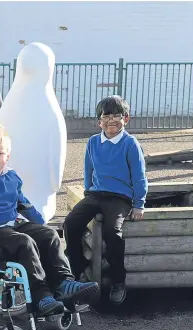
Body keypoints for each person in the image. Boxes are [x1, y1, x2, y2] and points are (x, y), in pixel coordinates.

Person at [0, 123, 99, 316]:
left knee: (48, 235)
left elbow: (23, 204)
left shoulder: (11, 176)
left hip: (12, 225)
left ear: (8, 155)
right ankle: (41, 296)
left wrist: (41, 223)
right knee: (25, 243)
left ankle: (64, 284)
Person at [64, 95, 148, 305]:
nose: (111, 120)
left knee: (113, 232)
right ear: (98, 121)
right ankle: (78, 270)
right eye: (106, 116)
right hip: (96, 194)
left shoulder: (130, 143)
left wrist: (139, 204)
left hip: (119, 197)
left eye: (117, 115)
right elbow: (88, 169)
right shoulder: (93, 142)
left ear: (126, 119)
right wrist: (87, 191)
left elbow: (139, 176)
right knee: (71, 224)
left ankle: (118, 280)